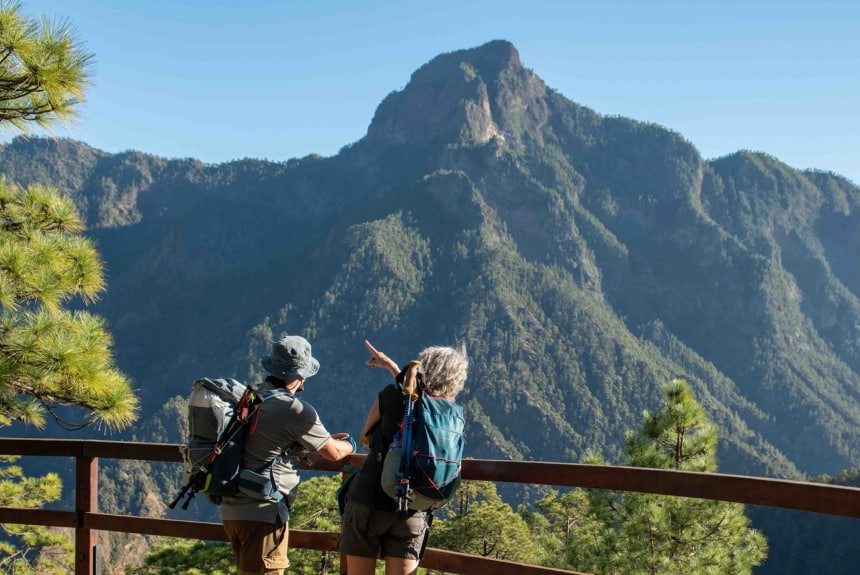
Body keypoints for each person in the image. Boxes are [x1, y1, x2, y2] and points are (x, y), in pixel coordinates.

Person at [221, 335, 357, 575]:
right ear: (301, 375)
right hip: (263, 513)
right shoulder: (294, 409)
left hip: (233, 510)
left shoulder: (250, 398)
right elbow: (334, 453)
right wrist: (350, 445)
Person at [340, 340, 468, 575]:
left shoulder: (391, 396)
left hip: (370, 500)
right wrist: (391, 366)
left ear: (423, 369)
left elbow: (365, 439)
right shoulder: (452, 414)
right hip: (415, 507)